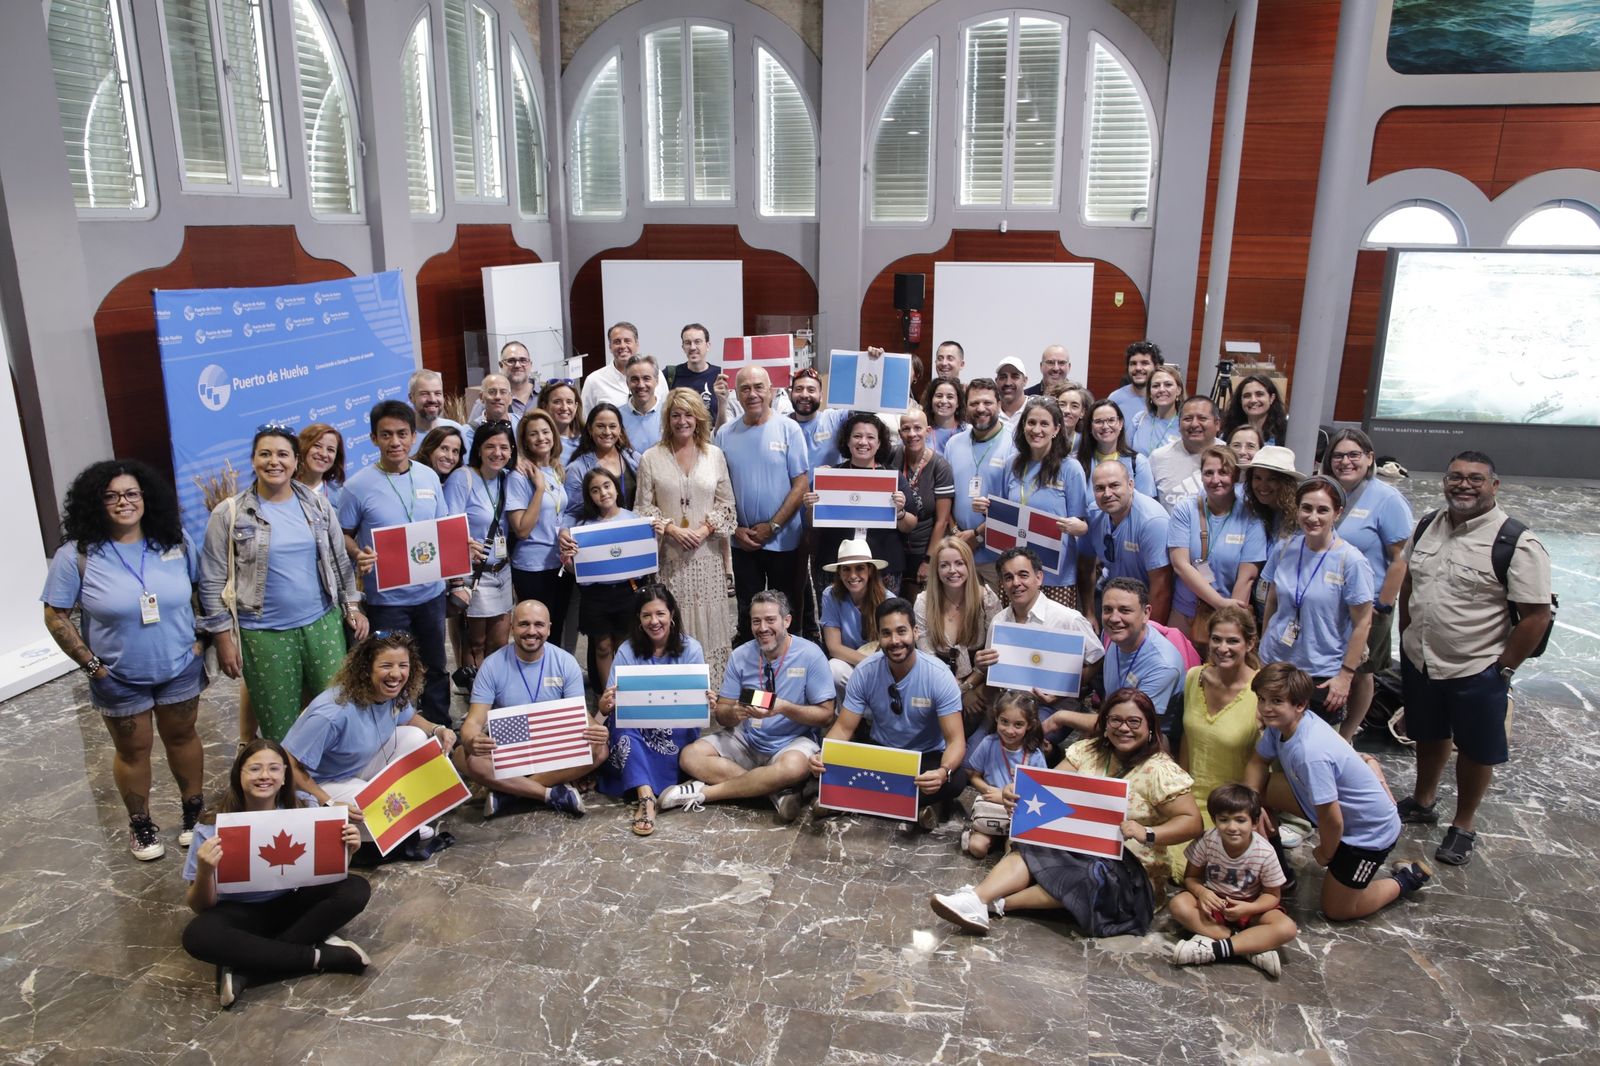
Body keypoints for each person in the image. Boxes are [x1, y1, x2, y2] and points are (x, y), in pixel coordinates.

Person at [928, 689, 1200, 936]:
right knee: (1032, 842)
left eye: (1134, 722)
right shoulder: (1088, 751)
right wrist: (1016, 792)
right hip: (1079, 844)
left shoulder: (1160, 770)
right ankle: (976, 897)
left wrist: (1147, 832)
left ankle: (995, 904)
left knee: (1090, 874)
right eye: (1115, 720)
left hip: (1130, 867)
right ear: (1104, 723)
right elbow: (1049, 789)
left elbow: (1192, 822)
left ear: (1150, 727)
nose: (1123, 728)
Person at [41, 459, 207, 860]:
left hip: (179, 667)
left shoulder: (175, 541)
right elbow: (55, 615)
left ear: (146, 497)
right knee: (133, 751)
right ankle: (141, 825)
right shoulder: (77, 555)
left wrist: (201, 642)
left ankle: (193, 815)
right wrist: (92, 666)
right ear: (96, 503)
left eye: (132, 493)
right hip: (116, 675)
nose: (123, 502)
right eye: (111, 496)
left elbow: (201, 589)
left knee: (183, 738)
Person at [1397, 450, 1552, 867]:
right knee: (1429, 733)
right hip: (1421, 659)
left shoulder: (1515, 542)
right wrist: (1406, 636)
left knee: (1475, 749)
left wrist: (1502, 669)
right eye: (1455, 477)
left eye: (1475, 478)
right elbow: (1410, 583)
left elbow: (1537, 615)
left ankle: (1463, 824)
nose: (1463, 485)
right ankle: (1423, 800)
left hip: (1476, 666)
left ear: (1494, 486)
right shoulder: (1427, 525)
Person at [200, 425, 364, 743]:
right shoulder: (229, 514)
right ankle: (289, 776)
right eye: (265, 454)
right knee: (280, 725)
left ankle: (334, 774)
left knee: (336, 714)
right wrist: (222, 639)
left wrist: (352, 606)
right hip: (263, 634)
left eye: (282, 454)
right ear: (253, 460)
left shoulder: (317, 506)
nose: (274, 461)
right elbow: (211, 580)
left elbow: (338, 561)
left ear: (295, 460)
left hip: (322, 625)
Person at [181, 739, 370, 1009]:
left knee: (355, 888)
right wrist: (205, 871)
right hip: (240, 912)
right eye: (254, 769)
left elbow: (326, 874)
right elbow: (201, 907)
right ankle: (319, 956)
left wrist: (347, 852)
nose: (264, 776)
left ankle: (247, 968)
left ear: (284, 776)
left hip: (292, 901)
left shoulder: (304, 808)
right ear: (238, 774)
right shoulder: (211, 827)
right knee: (198, 935)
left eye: (273, 768)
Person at [1245, 664, 1431, 921]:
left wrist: (1325, 853)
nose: (1266, 708)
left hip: (1367, 833)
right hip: (1333, 813)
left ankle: (1407, 879)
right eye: (1262, 699)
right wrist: (1251, 808)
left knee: (1338, 910)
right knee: (1256, 793)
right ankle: (1279, 872)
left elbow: (1332, 819)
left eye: (1276, 701)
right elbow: (1257, 762)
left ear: (1300, 705)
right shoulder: (1281, 725)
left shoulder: (1310, 753)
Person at [661, 591, 836, 823]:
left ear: (787, 621)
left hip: (792, 742)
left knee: (793, 767)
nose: (762, 628)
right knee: (689, 756)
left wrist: (784, 708)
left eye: (770, 620)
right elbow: (722, 713)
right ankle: (775, 792)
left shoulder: (811, 655)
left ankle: (705, 793)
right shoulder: (740, 655)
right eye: (756, 621)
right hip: (748, 738)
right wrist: (733, 713)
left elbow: (826, 715)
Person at [281, 631, 458, 861]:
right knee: (370, 814)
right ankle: (383, 821)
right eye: (386, 665)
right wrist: (328, 802)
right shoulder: (331, 713)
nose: (396, 674)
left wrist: (437, 729)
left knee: (416, 736)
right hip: (318, 783)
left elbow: (409, 718)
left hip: (354, 766)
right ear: (366, 669)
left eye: (403, 665)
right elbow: (287, 762)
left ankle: (396, 817)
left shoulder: (391, 693)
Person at [339, 401, 457, 727]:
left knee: (434, 666)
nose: (395, 442)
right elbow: (343, 534)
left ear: (413, 436)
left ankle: (438, 729)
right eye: (386, 434)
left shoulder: (429, 477)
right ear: (373, 438)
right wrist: (357, 553)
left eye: (402, 434)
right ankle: (390, 732)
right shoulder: (356, 487)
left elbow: (442, 527)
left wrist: (461, 549)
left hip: (431, 595)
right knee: (388, 671)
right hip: (387, 601)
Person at [809, 598, 968, 832]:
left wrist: (942, 772)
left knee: (957, 779)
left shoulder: (939, 676)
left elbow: (955, 741)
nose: (895, 641)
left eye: (901, 631)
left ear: (915, 632)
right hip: (881, 753)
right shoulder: (865, 672)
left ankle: (848, 800)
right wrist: (824, 755)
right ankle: (918, 806)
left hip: (925, 757)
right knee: (819, 770)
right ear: (879, 637)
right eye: (886, 633)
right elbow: (843, 728)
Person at [455, 600, 602, 818]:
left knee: (600, 748)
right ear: (512, 627)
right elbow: (474, 722)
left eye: (539, 625)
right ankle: (547, 793)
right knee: (465, 756)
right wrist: (471, 739)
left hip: (553, 742)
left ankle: (510, 793)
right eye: (524, 624)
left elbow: (579, 714)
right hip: (510, 744)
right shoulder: (492, 665)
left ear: (549, 628)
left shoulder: (566, 662)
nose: (532, 631)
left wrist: (597, 730)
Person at [636, 388, 737, 689]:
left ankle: (712, 693)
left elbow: (727, 505)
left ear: (699, 418)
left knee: (710, 624)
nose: (682, 421)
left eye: (688, 414)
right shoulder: (651, 457)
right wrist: (671, 528)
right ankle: (676, 692)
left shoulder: (714, 455)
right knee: (672, 621)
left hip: (708, 558)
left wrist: (704, 530)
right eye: (676, 415)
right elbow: (642, 509)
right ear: (667, 419)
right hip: (670, 559)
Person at [1259, 476, 1375, 724]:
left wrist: (1345, 676)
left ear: (1337, 513)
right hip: (1277, 663)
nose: (1313, 517)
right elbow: (1272, 602)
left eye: (1322, 510)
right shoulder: (1284, 549)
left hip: (1321, 672)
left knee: (1315, 744)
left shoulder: (1351, 561)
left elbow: (1363, 623)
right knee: (1272, 738)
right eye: (1307, 508)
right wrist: (1263, 649)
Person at [595, 584, 710, 836]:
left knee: (653, 733)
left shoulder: (691, 648)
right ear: (638, 619)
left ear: (672, 614)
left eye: (660, 614)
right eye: (646, 615)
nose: (654, 621)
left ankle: (646, 786)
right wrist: (605, 704)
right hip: (636, 726)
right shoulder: (627, 650)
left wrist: (705, 700)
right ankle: (646, 796)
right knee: (621, 727)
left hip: (676, 725)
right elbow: (608, 704)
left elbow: (695, 701)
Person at [1322, 429, 1413, 740]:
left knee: (1360, 671)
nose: (1345, 461)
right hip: (1328, 599)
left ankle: (1346, 735)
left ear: (1370, 458)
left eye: (1353, 455)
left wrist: (1382, 606)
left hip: (1367, 604)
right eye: (1338, 455)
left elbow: (1400, 558)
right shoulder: (1327, 491)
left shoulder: (1387, 499)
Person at [715, 366, 809, 643]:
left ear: (771, 391)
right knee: (748, 614)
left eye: (758, 387)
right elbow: (718, 489)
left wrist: (773, 525)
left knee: (785, 611)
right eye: (745, 388)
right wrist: (734, 529)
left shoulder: (789, 429)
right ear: (736, 394)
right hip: (742, 542)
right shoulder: (724, 434)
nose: (752, 394)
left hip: (784, 540)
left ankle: (786, 664)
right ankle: (750, 666)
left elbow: (801, 484)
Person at [976, 546, 1105, 741]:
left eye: (1023, 575)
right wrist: (983, 665)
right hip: (1009, 706)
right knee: (975, 749)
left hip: (1053, 708)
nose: (1016, 583)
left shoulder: (1067, 618)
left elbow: (1097, 657)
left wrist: (1062, 691)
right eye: (1008, 577)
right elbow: (996, 671)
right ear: (1002, 583)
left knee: (1020, 741)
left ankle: (1050, 753)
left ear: (1039, 578)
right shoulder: (999, 622)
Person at [1168, 783, 1297, 977]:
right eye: (1224, 820)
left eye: (1240, 820)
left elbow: (1272, 896)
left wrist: (1250, 908)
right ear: (1214, 820)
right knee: (1179, 904)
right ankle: (1246, 946)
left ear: (1254, 823)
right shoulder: (1208, 840)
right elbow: (1191, 877)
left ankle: (1214, 949)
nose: (1232, 827)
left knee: (1287, 928)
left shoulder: (1265, 852)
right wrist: (1203, 892)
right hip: (1213, 903)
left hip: (1250, 906)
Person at [975, 396, 1090, 609]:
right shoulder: (1012, 464)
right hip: (1015, 573)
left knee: (1052, 628)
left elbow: (1083, 524)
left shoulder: (1070, 469)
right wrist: (986, 508)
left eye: (1044, 424)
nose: (1036, 430)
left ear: (1056, 429)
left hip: (1055, 574)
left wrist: (1077, 527)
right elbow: (1002, 513)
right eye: (1031, 422)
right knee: (1014, 627)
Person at [560, 467, 658, 691]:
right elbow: (578, 572)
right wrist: (568, 562)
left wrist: (656, 537)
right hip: (596, 595)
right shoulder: (583, 528)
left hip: (627, 591)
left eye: (606, 486)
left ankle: (627, 693)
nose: (603, 493)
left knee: (624, 645)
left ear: (615, 487)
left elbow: (646, 561)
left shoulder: (634, 519)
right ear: (589, 496)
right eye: (595, 490)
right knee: (602, 646)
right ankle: (608, 696)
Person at [442, 419, 519, 684]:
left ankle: (494, 693)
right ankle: (475, 696)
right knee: (476, 643)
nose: (497, 453)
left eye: (504, 447)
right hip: (474, 574)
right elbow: (448, 525)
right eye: (490, 447)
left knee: (499, 642)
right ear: (478, 449)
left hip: (503, 571)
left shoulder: (508, 478)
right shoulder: (462, 478)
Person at [1167, 446, 1267, 645]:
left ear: (1236, 475)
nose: (1215, 479)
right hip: (1185, 612)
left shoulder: (1251, 516)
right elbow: (1180, 565)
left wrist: (1229, 618)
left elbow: (1247, 577)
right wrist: (1219, 603)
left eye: (1223, 472)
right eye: (1208, 473)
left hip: (1229, 616)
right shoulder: (1185, 509)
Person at [1178, 605, 1262, 830]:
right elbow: (1187, 738)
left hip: (1232, 807)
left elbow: (1264, 760)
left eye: (1232, 641)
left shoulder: (1261, 691)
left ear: (1250, 644)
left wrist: (1254, 807)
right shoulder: (1194, 677)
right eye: (1216, 639)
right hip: (1188, 799)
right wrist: (1180, 791)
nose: (1223, 648)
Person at [915, 536, 1002, 732]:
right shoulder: (923, 602)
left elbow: (993, 654)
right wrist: (959, 692)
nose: (952, 570)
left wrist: (969, 688)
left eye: (959, 563)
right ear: (936, 570)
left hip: (980, 682)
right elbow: (928, 656)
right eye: (944, 565)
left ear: (969, 566)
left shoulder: (987, 599)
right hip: (937, 680)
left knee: (977, 716)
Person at [944, 377, 1014, 590]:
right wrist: (956, 533)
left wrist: (978, 535)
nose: (981, 408)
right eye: (974, 403)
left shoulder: (1015, 443)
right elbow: (945, 496)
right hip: (960, 552)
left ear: (999, 405)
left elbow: (1014, 504)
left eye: (987, 402)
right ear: (965, 407)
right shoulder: (954, 443)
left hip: (998, 555)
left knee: (995, 610)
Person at [508, 409, 573, 642]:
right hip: (532, 567)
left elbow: (560, 513)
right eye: (533, 434)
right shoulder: (519, 476)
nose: (541, 438)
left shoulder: (556, 470)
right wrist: (539, 489)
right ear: (525, 441)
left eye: (545, 432)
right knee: (534, 634)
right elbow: (521, 529)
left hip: (559, 563)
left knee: (555, 630)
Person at [1080, 460, 1173, 622]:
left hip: (1147, 601)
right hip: (1112, 595)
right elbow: (1085, 566)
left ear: (1130, 485)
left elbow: (1161, 588)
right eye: (1100, 488)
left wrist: (1149, 631)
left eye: (1114, 485)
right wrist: (1089, 613)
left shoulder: (1152, 521)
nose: (1107, 494)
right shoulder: (1094, 514)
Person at [960, 692, 1047, 858]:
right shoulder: (988, 743)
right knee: (977, 848)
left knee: (1012, 852)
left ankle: (1004, 842)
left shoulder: (1034, 755)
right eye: (1004, 722)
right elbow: (974, 776)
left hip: (1018, 812)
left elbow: (1040, 792)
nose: (1009, 730)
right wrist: (988, 790)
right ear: (996, 718)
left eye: (1018, 725)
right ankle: (981, 834)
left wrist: (1004, 797)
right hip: (992, 808)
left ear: (1030, 725)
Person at [1099, 577, 1187, 734]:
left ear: (1146, 613)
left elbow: (1132, 725)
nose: (1113, 618)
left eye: (1125, 610)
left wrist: (1062, 717)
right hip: (1114, 723)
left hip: (1148, 736)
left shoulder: (1163, 665)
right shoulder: (1114, 634)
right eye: (1108, 609)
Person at [897, 405, 955, 602]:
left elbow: (942, 520)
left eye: (917, 428)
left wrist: (929, 560)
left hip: (923, 550)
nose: (912, 434)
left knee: (918, 605)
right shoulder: (892, 457)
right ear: (899, 433)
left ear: (928, 431)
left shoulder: (940, 466)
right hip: (894, 546)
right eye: (906, 429)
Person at [1240, 445, 1302, 626]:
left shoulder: (1300, 520)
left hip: (1286, 615)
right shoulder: (1258, 513)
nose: (1262, 486)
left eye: (1272, 479)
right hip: (1259, 609)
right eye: (1257, 478)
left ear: (1286, 483)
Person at [820, 539, 889, 691]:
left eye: (859, 568)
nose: (852, 575)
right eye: (846, 569)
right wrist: (867, 664)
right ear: (839, 573)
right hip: (851, 663)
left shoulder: (888, 600)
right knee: (833, 668)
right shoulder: (830, 595)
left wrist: (876, 667)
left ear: (870, 570)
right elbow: (834, 647)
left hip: (882, 667)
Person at [561, 402, 641, 523]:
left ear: (620, 429)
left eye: (612, 426)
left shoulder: (634, 458)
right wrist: (565, 530)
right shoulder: (576, 469)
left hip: (634, 529)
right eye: (600, 426)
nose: (607, 432)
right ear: (590, 429)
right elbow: (572, 513)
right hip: (598, 532)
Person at [1150, 396, 1225, 513]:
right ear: (1179, 424)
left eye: (1202, 418)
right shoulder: (1158, 457)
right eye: (1188, 419)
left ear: (1217, 424)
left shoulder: (1230, 457)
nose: (1194, 424)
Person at [1077, 399, 1156, 499]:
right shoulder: (1077, 463)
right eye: (1098, 422)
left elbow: (1146, 504)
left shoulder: (1138, 463)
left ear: (1120, 424)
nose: (1105, 426)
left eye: (1111, 420)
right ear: (1090, 427)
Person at [582, 321, 667, 411]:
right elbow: (584, 417)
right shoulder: (594, 381)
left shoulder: (656, 375)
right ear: (610, 347)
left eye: (627, 341)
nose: (622, 346)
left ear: (637, 344)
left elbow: (667, 411)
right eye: (617, 342)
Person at [667, 322, 732, 425]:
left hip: (713, 434)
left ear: (708, 345)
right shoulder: (670, 375)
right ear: (683, 347)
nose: (692, 347)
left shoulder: (721, 375)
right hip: (681, 433)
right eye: (688, 343)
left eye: (697, 342)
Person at [467, 341, 535, 424]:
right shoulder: (487, 401)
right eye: (511, 361)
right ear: (501, 365)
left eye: (523, 360)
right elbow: (472, 430)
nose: (517, 365)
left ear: (530, 364)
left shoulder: (545, 395)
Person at [1129, 365, 1184, 457]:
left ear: (1178, 390)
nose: (1161, 389)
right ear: (1150, 393)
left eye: (1168, 385)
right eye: (1156, 386)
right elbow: (1126, 454)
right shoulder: (1139, 419)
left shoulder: (1184, 424)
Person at [1107, 340, 1162, 429]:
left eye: (1144, 363)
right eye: (1133, 364)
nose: (1138, 368)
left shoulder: (1164, 399)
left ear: (1156, 367)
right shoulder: (1115, 399)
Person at [1222, 374, 1287, 448]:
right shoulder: (1229, 430)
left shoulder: (1286, 432)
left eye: (1259, 394)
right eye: (1247, 396)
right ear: (1240, 401)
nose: (1253, 400)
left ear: (1271, 398)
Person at [294, 423, 347, 513]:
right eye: (317, 446)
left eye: (330, 450)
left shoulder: (341, 496)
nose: (323, 454)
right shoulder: (283, 489)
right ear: (303, 447)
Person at [619, 354, 664, 452]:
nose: (641, 385)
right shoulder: (617, 417)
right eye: (634, 379)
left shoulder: (669, 413)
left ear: (656, 381)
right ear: (627, 383)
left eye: (646, 378)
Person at [537, 378, 584, 462]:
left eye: (569, 402)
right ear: (545, 406)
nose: (564, 408)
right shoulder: (539, 442)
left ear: (576, 406)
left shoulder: (588, 439)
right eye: (557, 402)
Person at [408, 369, 463, 438]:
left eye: (437, 393)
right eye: (424, 394)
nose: (432, 399)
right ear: (411, 398)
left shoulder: (455, 430)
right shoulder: (403, 437)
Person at [924, 376, 966, 453]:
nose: (944, 401)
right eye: (939, 396)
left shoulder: (967, 431)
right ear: (931, 400)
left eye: (950, 397)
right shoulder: (921, 430)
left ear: (958, 403)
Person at [994, 356, 1029, 425]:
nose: (1008, 383)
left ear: (1025, 381)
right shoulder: (989, 413)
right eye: (1003, 377)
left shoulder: (1036, 409)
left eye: (1015, 377)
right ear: (996, 381)